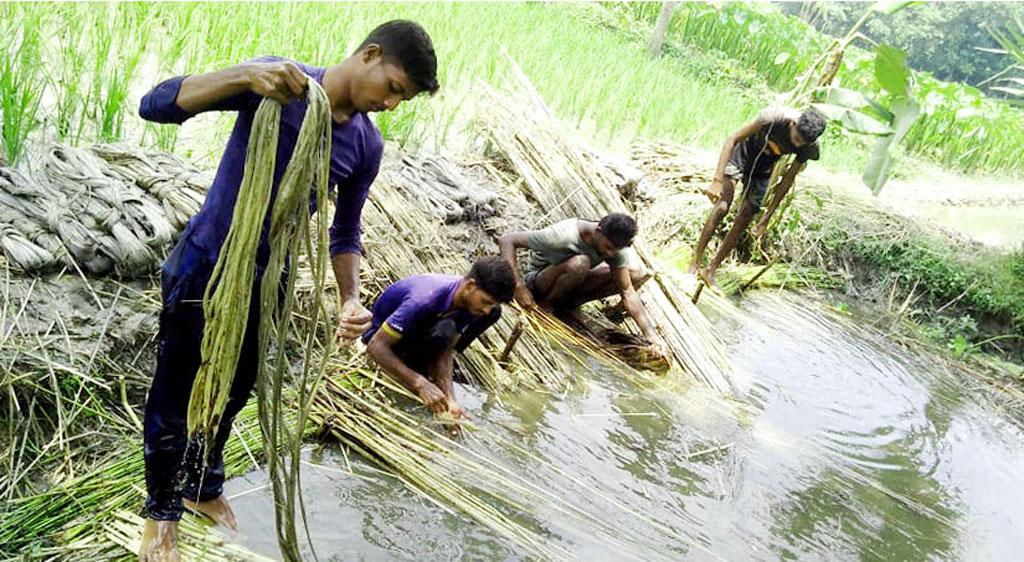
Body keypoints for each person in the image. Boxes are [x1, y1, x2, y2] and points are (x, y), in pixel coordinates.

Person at [136, 20, 438, 562]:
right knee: (176, 390)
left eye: (404, 99)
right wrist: (244, 76)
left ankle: (202, 486)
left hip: (266, 279)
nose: (392, 104)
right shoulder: (280, 85)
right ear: (370, 55)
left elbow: (345, 230)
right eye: (393, 87)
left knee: (235, 390)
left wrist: (349, 296)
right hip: (206, 262)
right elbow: (155, 105)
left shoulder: (367, 145)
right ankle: (161, 513)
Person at [689, 107, 827, 289]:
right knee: (722, 206)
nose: (798, 144)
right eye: (796, 139)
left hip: (763, 169)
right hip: (742, 154)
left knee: (745, 217)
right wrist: (717, 180)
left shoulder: (809, 146)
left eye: (803, 143)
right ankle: (695, 261)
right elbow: (732, 138)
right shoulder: (772, 118)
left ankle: (711, 269)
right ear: (793, 124)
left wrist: (767, 216)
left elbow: (788, 179)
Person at [363, 256, 516, 418]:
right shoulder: (423, 299)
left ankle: (423, 371)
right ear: (470, 286)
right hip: (382, 340)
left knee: (490, 315)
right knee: (445, 329)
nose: (486, 310)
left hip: (419, 333)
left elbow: (446, 350)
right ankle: (405, 372)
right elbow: (375, 346)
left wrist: (450, 399)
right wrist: (419, 383)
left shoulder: (471, 304)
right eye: (485, 301)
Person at [498, 213, 666, 355]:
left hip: (573, 282)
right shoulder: (562, 235)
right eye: (608, 247)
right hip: (540, 283)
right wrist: (518, 287)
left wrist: (650, 334)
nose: (610, 253)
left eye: (615, 250)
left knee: (635, 273)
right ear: (598, 231)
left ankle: (570, 304)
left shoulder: (614, 249)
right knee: (581, 262)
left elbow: (627, 292)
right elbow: (508, 240)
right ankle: (547, 307)